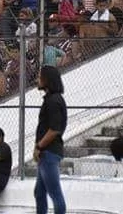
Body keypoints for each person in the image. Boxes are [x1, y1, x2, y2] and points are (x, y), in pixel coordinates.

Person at [33, 65, 67, 214]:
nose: (37, 80)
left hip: (49, 153)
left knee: (55, 193)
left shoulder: (53, 101)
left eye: (40, 77)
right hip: (46, 152)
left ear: (47, 80)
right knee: (39, 192)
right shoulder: (52, 100)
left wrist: (39, 146)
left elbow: (54, 129)